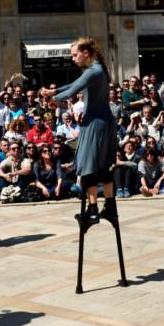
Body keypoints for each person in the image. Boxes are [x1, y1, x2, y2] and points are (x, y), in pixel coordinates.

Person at [42, 37, 117, 224]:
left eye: (75, 55)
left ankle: (93, 211)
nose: (73, 58)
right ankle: (109, 207)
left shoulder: (94, 71)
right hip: (103, 122)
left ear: (86, 53)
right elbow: (73, 85)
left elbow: (72, 91)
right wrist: (53, 92)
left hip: (95, 124)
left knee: (87, 166)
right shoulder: (97, 69)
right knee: (103, 166)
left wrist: (54, 99)